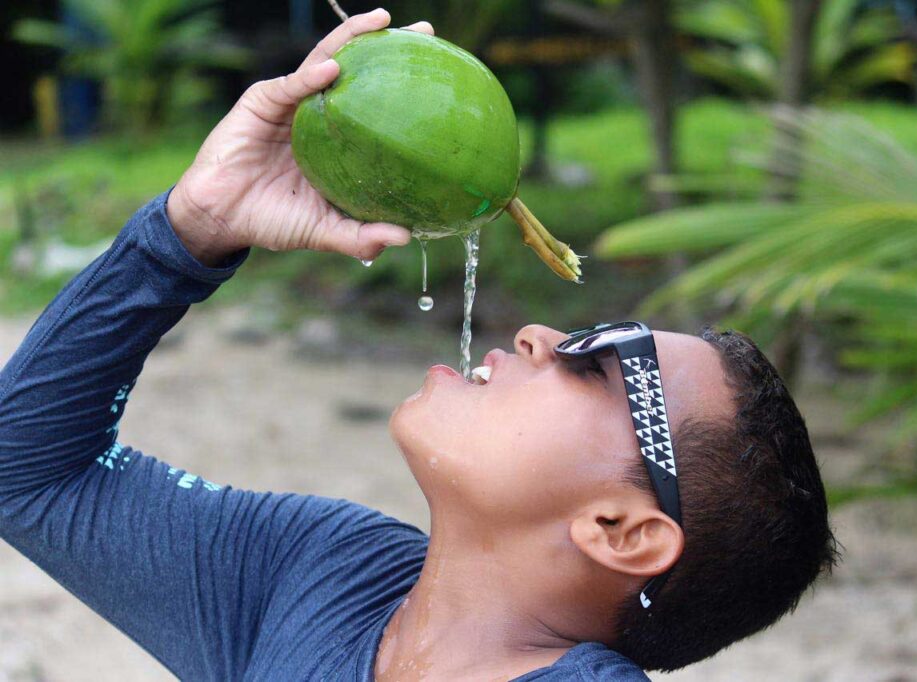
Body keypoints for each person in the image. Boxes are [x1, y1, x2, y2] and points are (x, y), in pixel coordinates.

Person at [0, 9, 836, 681]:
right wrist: (193, 229)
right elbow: (27, 468)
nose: (541, 335)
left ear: (621, 530)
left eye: (601, 362)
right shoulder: (323, 572)